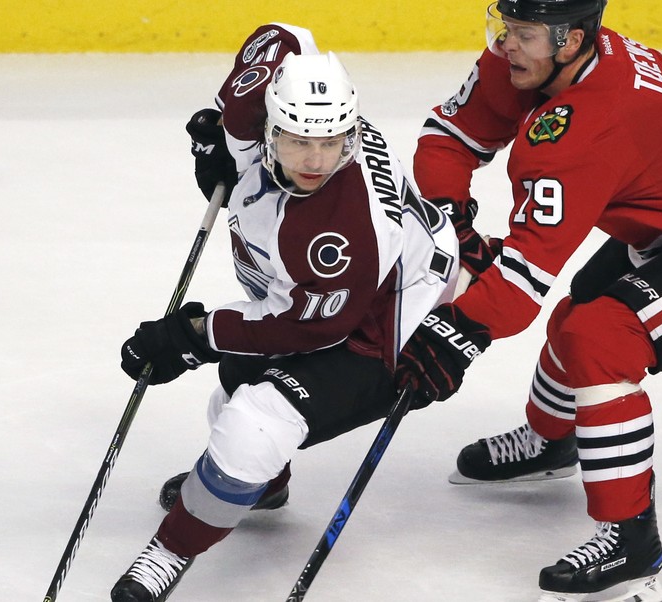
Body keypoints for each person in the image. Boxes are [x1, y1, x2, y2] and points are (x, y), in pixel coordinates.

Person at [395, 1, 662, 600]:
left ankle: (631, 543)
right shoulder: (538, 61)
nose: (505, 44)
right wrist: (453, 221)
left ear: (571, 41)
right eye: (503, 24)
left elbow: (516, 291)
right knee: (579, 313)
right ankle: (551, 439)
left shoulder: (587, 127)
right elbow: (449, 138)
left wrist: (451, 333)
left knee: (599, 338)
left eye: (524, 33)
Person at [111, 23, 458, 601]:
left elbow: (308, 324)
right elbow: (286, 35)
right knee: (234, 387)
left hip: (393, 319)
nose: (317, 159)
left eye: (332, 143)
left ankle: (169, 551)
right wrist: (228, 142)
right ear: (270, 124)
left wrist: (193, 335)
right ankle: (264, 485)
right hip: (348, 290)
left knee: (252, 422)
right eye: (298, 141)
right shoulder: (260, 110)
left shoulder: (340, 230)